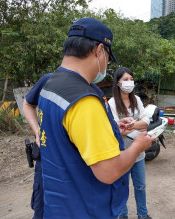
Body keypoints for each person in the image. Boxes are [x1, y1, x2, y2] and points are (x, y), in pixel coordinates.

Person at [36, 18, 155, 219]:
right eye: (108, 57)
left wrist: (112, 128)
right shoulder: (84, 99)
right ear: (99, 50)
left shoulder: (51, 84)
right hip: (85, 208)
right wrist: (137, 146)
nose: (107, 63)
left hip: (58, 205)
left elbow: (69, 136)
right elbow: (108, 171)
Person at [108, 67, 152, 219]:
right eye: (125, 79)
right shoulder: (112, 103)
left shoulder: (137, 100)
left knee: (140, 186)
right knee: (121, 186)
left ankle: (143, 214)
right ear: (118, 83)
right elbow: (114, 129)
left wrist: (129, 127)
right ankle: (122, 214)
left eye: (131, 79)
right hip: (121, 152)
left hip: (138, 152)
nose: (129, 82)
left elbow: (146, 122)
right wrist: (135, 126)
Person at [23, 73, 52, 219]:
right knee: (42, 205)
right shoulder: (49, 79)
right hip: (46, 159)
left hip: (76, 160)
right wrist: (38, 132)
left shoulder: (89, 87)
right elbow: (28, 104)